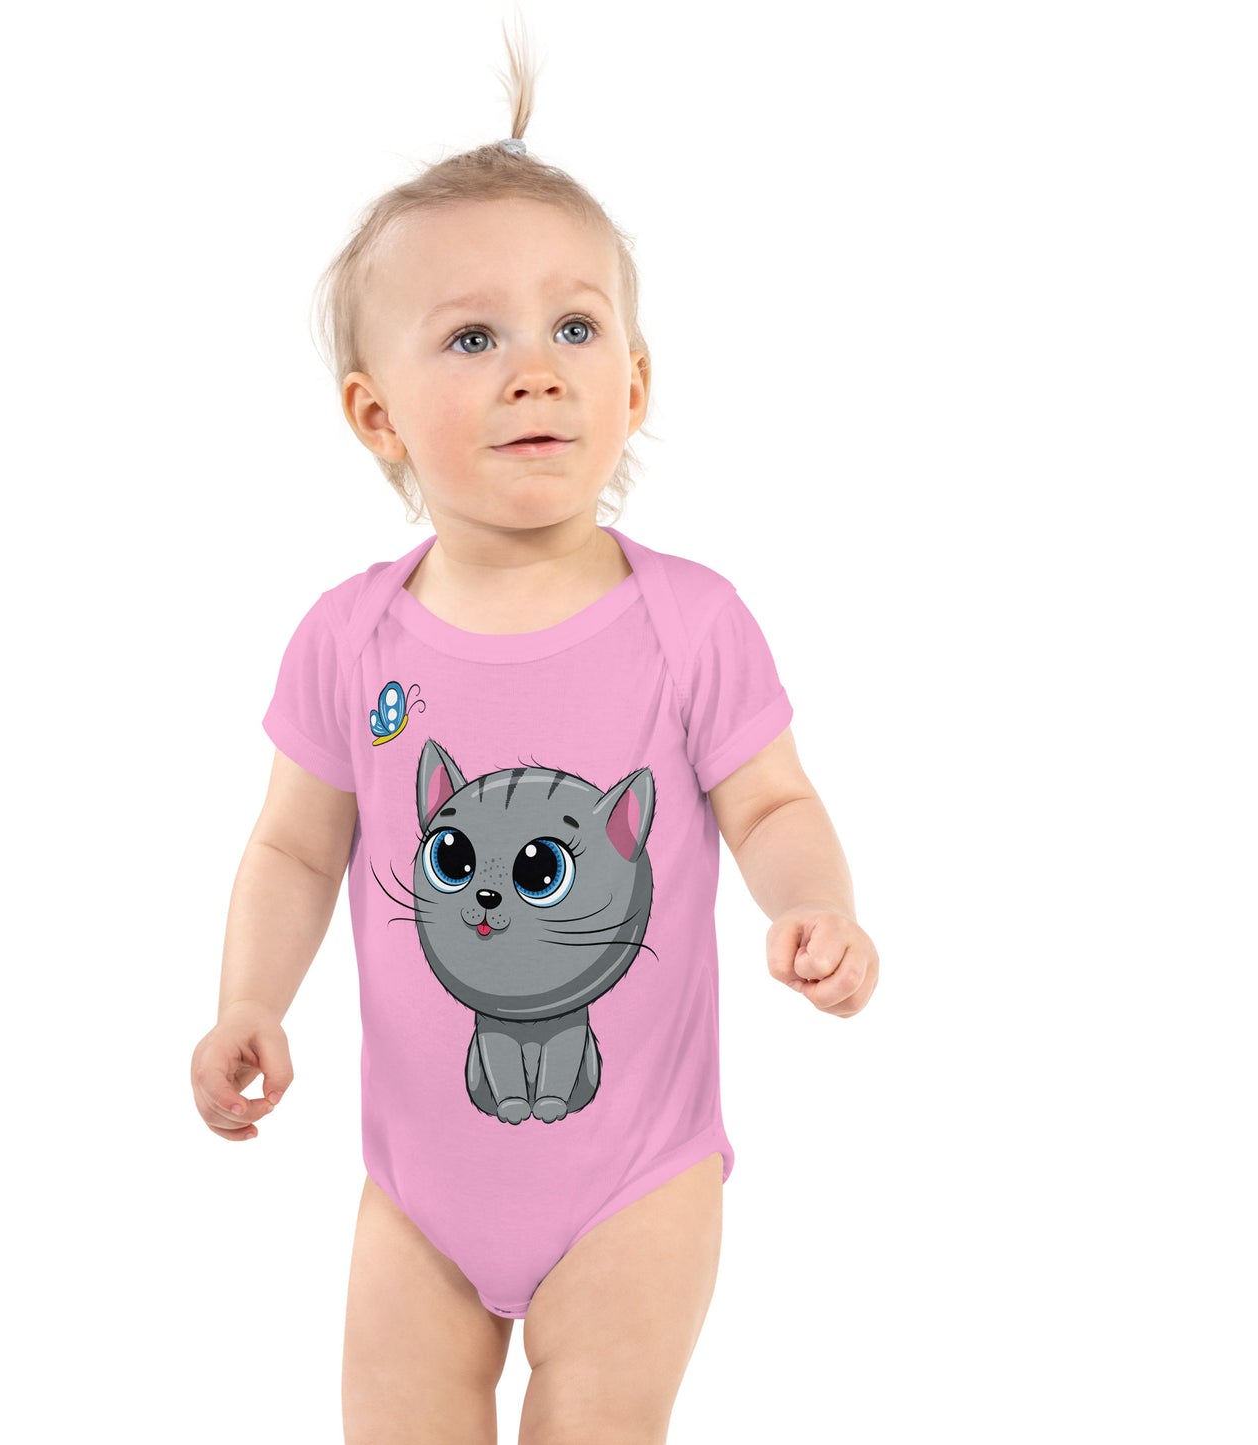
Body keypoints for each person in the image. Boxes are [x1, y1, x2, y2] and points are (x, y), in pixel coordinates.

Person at [190, 18, 879, 1443]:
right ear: (376, 415)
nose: (535, 369)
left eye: (575, 327)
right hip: (417, 1192)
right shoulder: (351, 640)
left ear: (635, 384)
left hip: (635, 1178)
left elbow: (770, 803)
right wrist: (249, 997)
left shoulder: (686, 621)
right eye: (472, 337)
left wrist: (813, 905)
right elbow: (294, 848)